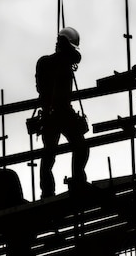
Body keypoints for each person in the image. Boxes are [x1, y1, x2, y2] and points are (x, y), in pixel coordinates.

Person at [35, 27, 90, 198]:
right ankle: (76, 180)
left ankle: (48, 191)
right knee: (76, 147)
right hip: (59, 113)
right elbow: (75, 57)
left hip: (53, 114)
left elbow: (76, 57)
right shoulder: (54, 61)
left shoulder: (51, 61)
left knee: (50, 154)